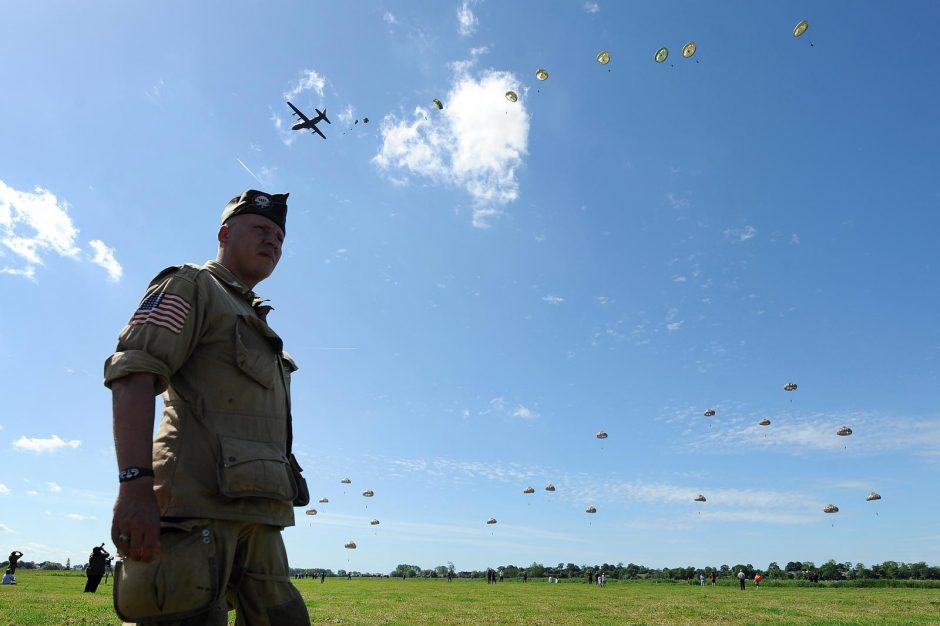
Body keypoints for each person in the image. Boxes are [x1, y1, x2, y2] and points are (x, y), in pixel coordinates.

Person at [104, 190, 310, 625]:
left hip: (260, 515)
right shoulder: (191, 285)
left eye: (278, 236)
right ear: (223, 233)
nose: (272, 241)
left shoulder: (254, 317)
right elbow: (134, 374)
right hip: (195, 510)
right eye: (260, 229)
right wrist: (135, 486)